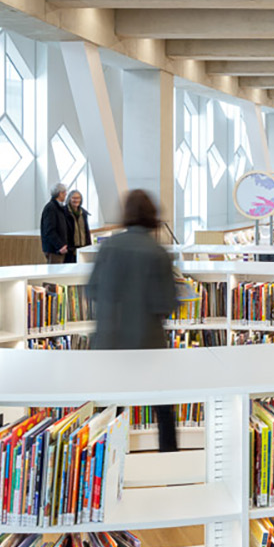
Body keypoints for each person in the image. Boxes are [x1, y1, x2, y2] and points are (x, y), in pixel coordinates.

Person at [87, 190, 180, 451]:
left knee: (110, 411)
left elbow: (92, 290)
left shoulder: (108, 247)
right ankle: (169, 460)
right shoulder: (158, 252)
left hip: (109, 344)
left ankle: (106, 462)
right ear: (152, 215)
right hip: (147, 345)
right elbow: (166, 304)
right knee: (164, 409)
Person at [39, 183, 74, 264]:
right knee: (54, 270)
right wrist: (60, 246)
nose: (66, 194)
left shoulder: (59, 207)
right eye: (64, 192)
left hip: (60, 249)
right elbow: (49, 230)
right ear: (60, 193)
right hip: (54, 249)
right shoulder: (51, 208)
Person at [66, 189, 92, 255]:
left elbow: (86, 231)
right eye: (74, 198)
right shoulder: (65, 213)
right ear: (69, 199)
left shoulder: (83, 213)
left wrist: (89, 246)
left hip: (83, 246)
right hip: (70, 249)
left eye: (78, 198)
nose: (76, 200)